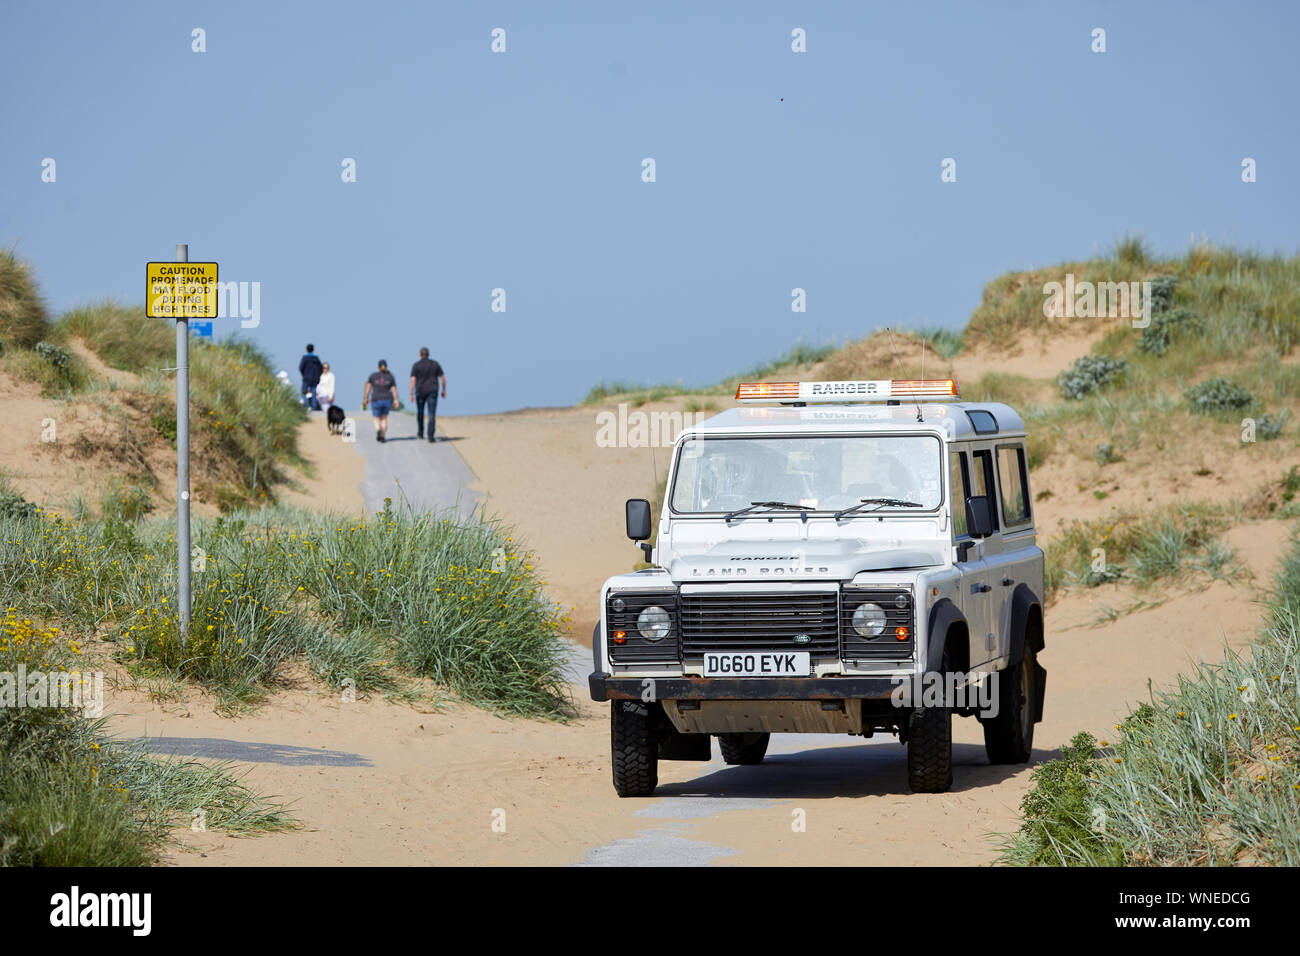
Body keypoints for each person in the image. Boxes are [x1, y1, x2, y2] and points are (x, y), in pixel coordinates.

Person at [408, 347, 447, 442]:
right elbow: (442, 378)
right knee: (431, 414)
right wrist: (444, 390)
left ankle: (420, 433)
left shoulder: (416, 365)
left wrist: (411, 394)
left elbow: (413, 380)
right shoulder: (435, 364)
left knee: (420, 413)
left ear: (420, 355)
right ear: (428, 354)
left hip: (420, 392)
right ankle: (430, 435)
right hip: (432, 390)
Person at [361, 359, 400, 442]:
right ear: (386, 367)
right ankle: (382, 436)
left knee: (376, 418)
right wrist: (396, 400)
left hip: (376, 399)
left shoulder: (373, 376)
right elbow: (394, 390)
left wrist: (366, 398)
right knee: (384, 418)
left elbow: (368, 387)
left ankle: (378, 429)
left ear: (378, 367)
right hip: (387, 400)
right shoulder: (390, 377)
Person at [299, 344, 323, 411]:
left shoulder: (305, 358)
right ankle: (314, 408)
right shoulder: (317, 359)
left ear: (306, 349)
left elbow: (301, 368)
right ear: (313, 349)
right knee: (314, 394)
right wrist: (317, 376)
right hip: (315, 379)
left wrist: (304, 375)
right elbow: (321, 369)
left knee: (303, 392)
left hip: (306, 379)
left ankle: (307, 406)